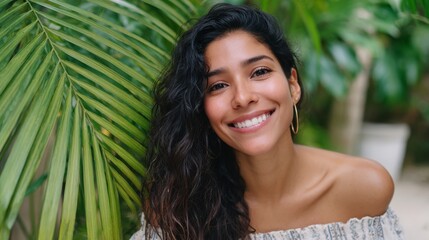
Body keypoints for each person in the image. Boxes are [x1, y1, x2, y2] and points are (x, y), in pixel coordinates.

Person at [131, 3, 404, 240]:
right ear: (200, 107)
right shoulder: (179, 205)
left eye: (259, 72)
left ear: (293, 85)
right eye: (217, 86)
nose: (242, 97)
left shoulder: (362, 188)